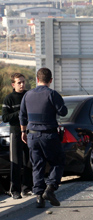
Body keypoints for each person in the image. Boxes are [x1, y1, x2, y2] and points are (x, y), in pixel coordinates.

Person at [19, 68, 68, 208]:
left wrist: (23, 132)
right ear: (50, 80)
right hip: (49, 135)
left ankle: (39, 197)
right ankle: (50, 188)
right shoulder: (52, 94)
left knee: (37, 165)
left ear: (37, 79)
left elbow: (22, 115)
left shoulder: (27, 95)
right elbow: (63, 112)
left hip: (32, 135)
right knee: (58, 161)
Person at [2, 73, 33, 199]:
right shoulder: (9, 98)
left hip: (29, 132)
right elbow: (5, 117)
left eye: (23, 82)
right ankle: (15, 190)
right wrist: (19, 113)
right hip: (15, 133)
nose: (22, 84)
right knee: (16, 162)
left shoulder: (29, 96)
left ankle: (27, 188)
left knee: (29, 161)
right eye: (19, 82)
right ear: (13, 84)